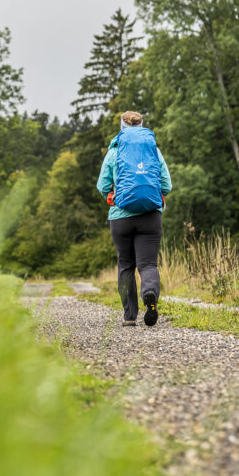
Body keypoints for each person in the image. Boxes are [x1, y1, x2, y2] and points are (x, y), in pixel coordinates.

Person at [96, 111, 172, 327]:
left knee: (125, 265)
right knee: (148, 264)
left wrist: (113, 196)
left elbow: (102, 186)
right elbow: (167, 186)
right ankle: (149, 293)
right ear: (141, 126)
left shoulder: (114, 153)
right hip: (150, 216)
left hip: (120, 218)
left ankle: (130, 316)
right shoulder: (153, 151)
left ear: (122, 127)